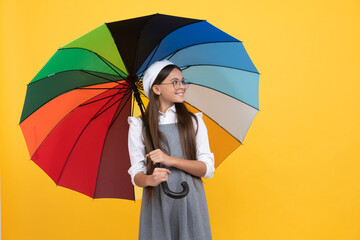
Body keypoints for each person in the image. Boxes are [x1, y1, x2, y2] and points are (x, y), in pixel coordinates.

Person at [127, 60, 215, 240]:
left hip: (191, 200)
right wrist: (150, 179)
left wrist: (171, 159)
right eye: (174, 82)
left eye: (182, 81)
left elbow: (207, 169)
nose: (181, 86)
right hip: (158, 201)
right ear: (156, 89)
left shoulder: (194, 121)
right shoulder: (139, 126)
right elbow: (137, 174)